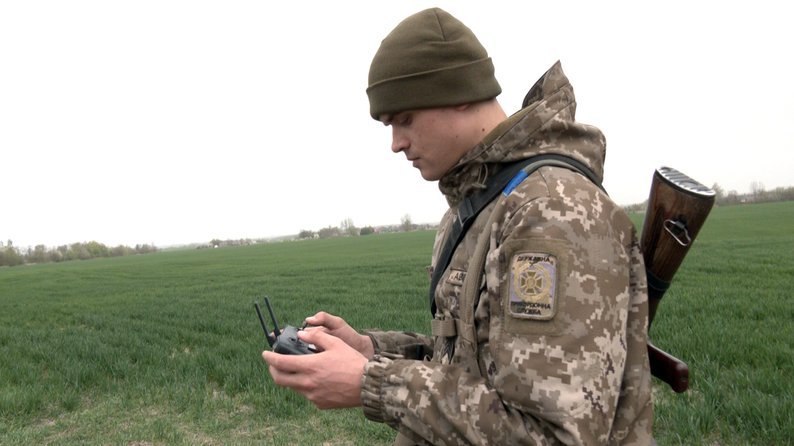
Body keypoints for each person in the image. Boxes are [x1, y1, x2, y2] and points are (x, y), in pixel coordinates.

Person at [263, 7, 653, 445]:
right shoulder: (478, 204)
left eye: (405, 119)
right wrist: (371, 351)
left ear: (460, 93)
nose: (396, 144)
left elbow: (549, 434)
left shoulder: (551, 212)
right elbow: (472, 364)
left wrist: (372, 383)